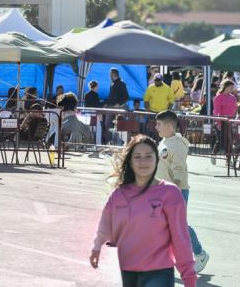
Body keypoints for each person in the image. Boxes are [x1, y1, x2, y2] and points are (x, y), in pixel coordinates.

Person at [89, 136, 199, 287]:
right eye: (137, 157)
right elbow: (106, 222)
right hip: (127, 270)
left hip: (159, 272)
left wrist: (189, 276)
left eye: (149, 156)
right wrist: (96, 246)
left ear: (157, 159)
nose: (143, 162)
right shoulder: (119, 194)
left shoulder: (170, 193)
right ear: (130, 161)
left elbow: (181, 238)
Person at [150, 111, 208, 272]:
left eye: (159, 124)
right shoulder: (164, 141)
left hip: (176, 192)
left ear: (169, 126)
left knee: (179, 226)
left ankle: (200, 254)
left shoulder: (176, 145)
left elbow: (179, 170)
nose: (156, 127)